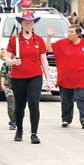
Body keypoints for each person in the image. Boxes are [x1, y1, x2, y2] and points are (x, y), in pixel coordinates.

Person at [5, 10, 53, 144]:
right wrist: (14, 61)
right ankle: (19, 129)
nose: (28, 24)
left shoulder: (38, 40)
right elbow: (7, 59)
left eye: (30, 22)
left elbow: (44, 61)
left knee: (34, 103)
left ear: (34, 23)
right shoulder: (15, 39)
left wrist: (49, 80)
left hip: (35, 76)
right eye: (26, 22)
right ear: (21, 23)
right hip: (18, 77)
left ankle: (34, 133)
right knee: (20, 105)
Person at [47, 24, 84, 129]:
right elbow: (48, 48)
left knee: (82, 99)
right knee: (66, 101)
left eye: (72, 32)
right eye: (69, 31)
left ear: (78, 34)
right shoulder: (62, 43)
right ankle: (66, 119)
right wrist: (49, 37)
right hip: (66, 78)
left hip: (81, 78)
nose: (69, 34)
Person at [0, 56, 16, 130]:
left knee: (19, 105)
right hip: (8, 86)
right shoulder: (6, 64)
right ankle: (13, 122)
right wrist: (2, 84)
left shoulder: (20, 63)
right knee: (11, 102)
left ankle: (17, 120)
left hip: (19, 87)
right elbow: (3, 74)